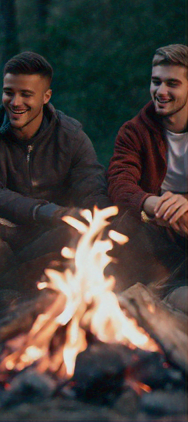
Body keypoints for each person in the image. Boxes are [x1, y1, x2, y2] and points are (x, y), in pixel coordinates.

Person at [0, 51, 109, 302]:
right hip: (6, 231)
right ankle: (12, 293)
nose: (15, 102)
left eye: (26, 94)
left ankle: (2, 292)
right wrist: (47, 211)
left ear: (46, 97)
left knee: (90, 230)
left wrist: (98, 219)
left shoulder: (72, 136)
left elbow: (92, 191)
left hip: (55, 234)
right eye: (9, 92)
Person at [107, 44, 187, 312]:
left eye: (172, 84)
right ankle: (165, 295)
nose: (161, 92)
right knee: (122, 227)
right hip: (157, 236)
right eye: (156, 82)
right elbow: (119, 182)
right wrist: (151, 204)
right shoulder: (134, 131)